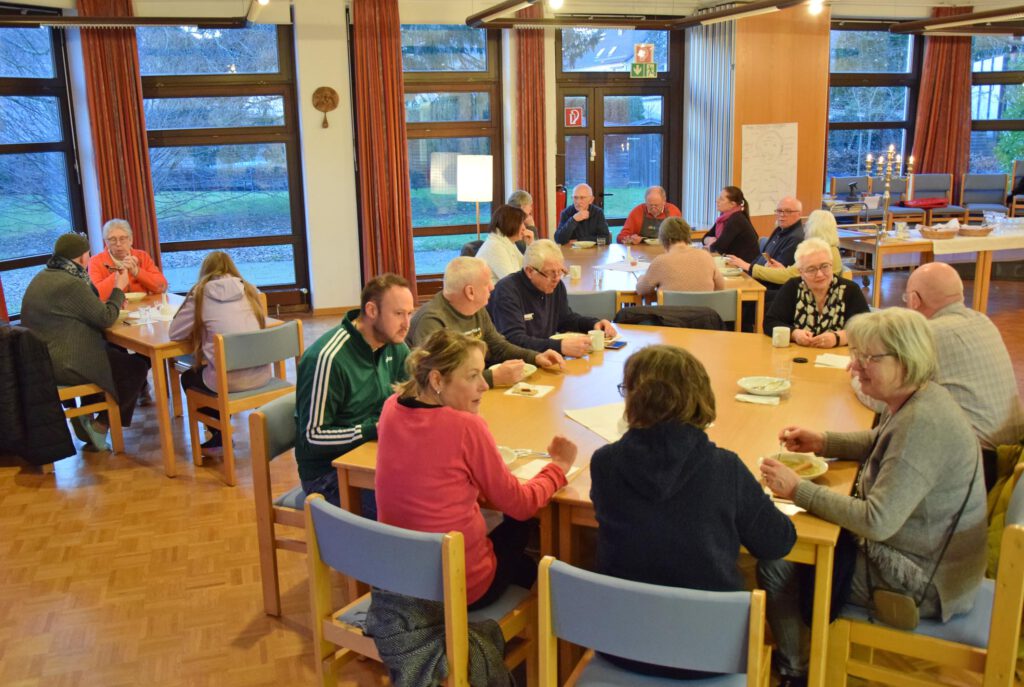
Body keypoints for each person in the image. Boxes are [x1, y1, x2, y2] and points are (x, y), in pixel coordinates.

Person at [758, 308, 987, 687]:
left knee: (778, 558)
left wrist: (798, 488)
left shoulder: (923, 424)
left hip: (925, 582)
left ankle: (797, 670)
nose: (854, 367)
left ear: (906, 358)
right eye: (856, 355)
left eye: (869, 359)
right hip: (938, 558)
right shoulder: (922, 398)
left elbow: (876, 520)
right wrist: (824, 441)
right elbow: (884, 442)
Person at [591, 345, 795, 679]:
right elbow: (778, 543)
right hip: (711, 652)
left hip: (621, 645)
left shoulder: (605, 463)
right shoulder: (724, 468)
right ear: (699, 397)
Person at [375, 328, 577, 608]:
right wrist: (558, 467)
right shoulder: (466, 427)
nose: (484, 385)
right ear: (436, 380)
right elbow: (520, 505)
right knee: (523, 531)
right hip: (457, 586)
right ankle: (510, 632)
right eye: (472, 376)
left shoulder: (390, 407)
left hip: (403, 577)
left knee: (505, 536)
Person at [20, 232, 150, 451]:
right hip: (67, 362)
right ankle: (100, 425)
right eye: (88, 253)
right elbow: (105, 318)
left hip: (43, 360)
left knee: (114, 355)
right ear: (81, 258)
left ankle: (86, 415)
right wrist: (118, 288)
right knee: (136, 366)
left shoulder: (44, 276)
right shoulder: (71, 283)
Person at [294, 273, 414, 507]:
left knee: (440, 483)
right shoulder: (328, 358)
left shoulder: (394, 346)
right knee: (413, 506)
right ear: (371, 310)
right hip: (327, 475)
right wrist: (373, 430)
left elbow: (415, 395)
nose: (406, 324)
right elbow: (312, 437)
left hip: (372, 456)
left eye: (410, 314)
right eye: (398, 314)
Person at [902, 262, 1024, 486]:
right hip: (1011, 454)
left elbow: (885, 395)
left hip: (976, 464)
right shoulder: (983, 321)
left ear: (914, 301)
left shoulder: (930, 333)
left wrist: (854, 376)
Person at [168, 251, 270, 456]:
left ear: (204, 273)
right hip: (262, 376)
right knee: (214, 366)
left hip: (229, 381)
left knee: (190, 377)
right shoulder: (250, 290)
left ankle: (220, 435)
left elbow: (175, 332)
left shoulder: (200, 294)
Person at [407, 256, 564, 387]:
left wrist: (535, 357)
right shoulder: (431, 321)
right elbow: (439, 378)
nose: (492, 287)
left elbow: (498, 346)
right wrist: (491, 378)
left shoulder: (477, 309)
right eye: (486, 282)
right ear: (470, 292)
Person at [489, 239, 616, 358]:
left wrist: (593, 324)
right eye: (550, 273)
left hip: (544, 360)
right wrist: (559, 347)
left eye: (560, 271)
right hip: (514, 365)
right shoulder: (507, 291)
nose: (556, 278)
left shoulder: (555, 285)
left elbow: (564, 319)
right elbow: (514, 341)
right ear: (529, 271)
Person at [763, 238, 869, 348]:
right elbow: (770, 322)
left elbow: (866, 329)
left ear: (831, 265)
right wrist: (794, 333)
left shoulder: (850, 290)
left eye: (824, 266)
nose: (819, 274)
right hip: (799, 357)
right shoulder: (793, 287)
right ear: (801, 272)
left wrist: (837, 338)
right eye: (811, 269)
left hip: (838, 360)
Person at [748, 210, 843, 286]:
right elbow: (794, 273)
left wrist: (752, 268)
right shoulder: (832, 249)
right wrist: (782, 270)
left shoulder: (819, 252)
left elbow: (789, 276)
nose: (805, 227)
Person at [636, 217, 724, 299]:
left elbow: (642, 290)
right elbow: (720, 286)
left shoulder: (661, 261)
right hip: (704, 313)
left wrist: (641, 279)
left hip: (670, 315)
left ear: (665, 239)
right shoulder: (706, 256)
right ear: (688, 235)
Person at [727, 196, 805, 287]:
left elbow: (778, 274)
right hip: (755, 277)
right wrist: (747, 269)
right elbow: (761, 255)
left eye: (788, 211)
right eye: (779, 211)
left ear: (799, 214)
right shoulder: (780, 229)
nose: (782, 215)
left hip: (769, 287)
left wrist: (748, 267)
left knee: (732, 292)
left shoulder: (796, 238)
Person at [88, 218, 168, 301]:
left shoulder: (142, 256)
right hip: (114, 310)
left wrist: (137, 271)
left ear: (131, 240)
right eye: (112, 240)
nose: (118, 244)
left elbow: (162, 287)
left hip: (143, 308)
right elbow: (96, 295)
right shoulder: (96, 261)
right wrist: (121, 271)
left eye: (122, 239)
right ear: (106, 243)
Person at [703, 186, 759, 263]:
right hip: (731, 262)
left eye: (721, 199)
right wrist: (709, 240)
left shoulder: (737, 219)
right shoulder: (723, 218)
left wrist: (712, 244)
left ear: (732, 204)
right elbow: (705, 238)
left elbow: (718, 248)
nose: (717, 201)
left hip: (744, 267)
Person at [475, 205, 528, 285]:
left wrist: (530, 245)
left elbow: (526, 266)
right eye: (521, 223)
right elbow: (511, 282)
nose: (524, 228)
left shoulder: (507, 242)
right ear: (510, 223)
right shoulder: (495, 246)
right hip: (491, 295)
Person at [616, 185, 682, 244]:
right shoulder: (637, 212)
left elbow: (682, 236)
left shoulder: (673, 211)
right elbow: (620, 237)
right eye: (650, 205)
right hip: (642, 253)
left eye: (656, 205)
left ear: (664, 201)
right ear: (645, 201)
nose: (653, 208)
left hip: (666, 251)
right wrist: (631, 239)